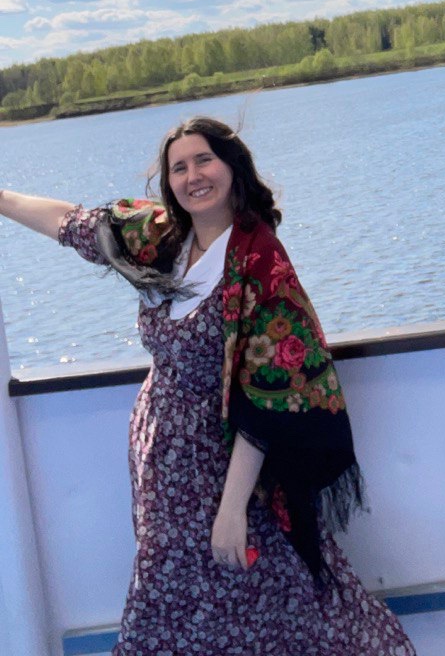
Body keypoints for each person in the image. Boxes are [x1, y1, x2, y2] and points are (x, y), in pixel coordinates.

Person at [0, 116, 416, 656]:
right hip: (163, 462)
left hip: (225, 462)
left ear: (232, 167)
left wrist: (232, 507)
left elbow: (271, 395)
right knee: (173, 593)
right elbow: (73, 222)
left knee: (268, 592)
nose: (193, 176)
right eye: (179, 167)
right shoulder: (162, 237)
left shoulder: (259, 259)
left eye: (204, 160)